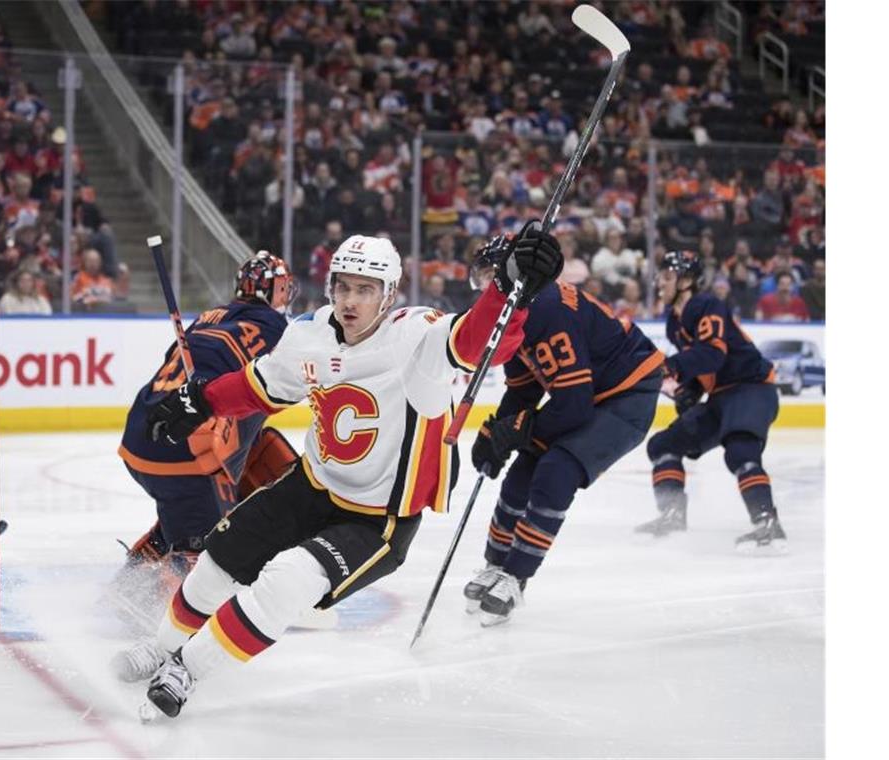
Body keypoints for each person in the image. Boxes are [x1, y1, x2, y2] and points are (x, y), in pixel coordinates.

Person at [116, 231, 563, 719]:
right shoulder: (308, 334)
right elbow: (260, 386)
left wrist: (510, 290)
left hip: (377, 519)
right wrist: (201, 400)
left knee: (286, 583)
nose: (351, 301)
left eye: (366, 289)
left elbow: (481, 342)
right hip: (312, 485)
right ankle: (162, 647)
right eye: (343, 287)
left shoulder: (419, 337)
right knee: (219, 560)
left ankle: (187, 670)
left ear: (389, 294)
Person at [464, 236, 664, 626]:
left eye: (493, 278)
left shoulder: (550, 309)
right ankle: (495, 565)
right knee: (523, 470)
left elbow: (572, 404)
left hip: (627, 394)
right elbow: (523, 389)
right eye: (484, 281)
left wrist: (518, 427)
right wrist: (497, 432)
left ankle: (516, 577)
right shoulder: (519, 314)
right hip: (589, 394)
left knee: (558, 468)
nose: (489, 290)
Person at [115, 252, 299, 620]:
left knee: (183, 514)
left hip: (138, 434)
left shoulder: (210, 316)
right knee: (212, 551)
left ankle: (130, 579)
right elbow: (287, 381)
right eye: (282, 289)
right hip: (187, 448)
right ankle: (148, 610)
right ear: (275, 291)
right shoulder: (278, 330)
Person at [635, 251, 786, 551]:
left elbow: (713, 354)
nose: (659, 283)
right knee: (663, 446)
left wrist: (672, 368)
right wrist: (689, 390)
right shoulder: (674, 322)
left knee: (740, 449)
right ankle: (672, 513)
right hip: (721, 397)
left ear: (687, 280)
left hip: (750, 387)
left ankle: (767, 522)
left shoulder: (707, 304)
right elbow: (705, 364)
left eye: (667, 277)